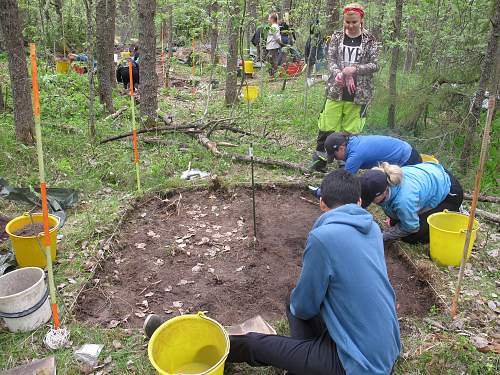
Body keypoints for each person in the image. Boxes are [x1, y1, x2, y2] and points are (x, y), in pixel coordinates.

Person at [143, 169, 401, 375]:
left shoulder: (325, 237)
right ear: (358, 201)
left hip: (355, 365)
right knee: (292, 300)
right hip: (384, 349)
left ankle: (203, 348)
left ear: (321, 203)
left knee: (258, 342)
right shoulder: (373, 230)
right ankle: (302, 360)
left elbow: (305, 306)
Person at [311, 3, 380, 172]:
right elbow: (331, 59)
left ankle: (345, 164)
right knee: (327, 124)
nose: (350, 25)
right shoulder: (336, 36)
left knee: (351, 130)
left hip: (359, 92)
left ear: (361, 20)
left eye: (354, 22)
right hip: (336, 89)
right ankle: (319, 161)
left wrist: (354, 69)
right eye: (347, 22)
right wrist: (339, 73)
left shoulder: (370, 40)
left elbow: (375, 65)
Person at [360, 162, 464, 244]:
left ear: (384, 191)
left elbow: (411, 227)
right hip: (432, 175)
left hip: (450, 193)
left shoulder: (403, 201)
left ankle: (454, 210)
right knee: (396, 221)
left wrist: (381, 236)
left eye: (370, 199)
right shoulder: (384, 177)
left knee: (411, 237)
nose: (369, 202)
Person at [324, 132, 422, 174]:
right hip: (408, 150)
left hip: (408, 159)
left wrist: (321, 192)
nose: (336, 159)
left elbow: (344, 181)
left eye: (335, 156)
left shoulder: (355, 155)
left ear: (341, 148)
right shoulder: (353, 141)